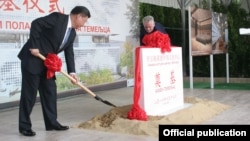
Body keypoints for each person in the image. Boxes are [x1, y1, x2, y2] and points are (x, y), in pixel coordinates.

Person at [17, 6, 91, 137]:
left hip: (47, 63)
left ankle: (52, 123)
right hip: (33, 59)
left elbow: (69, 53)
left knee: (50, 92)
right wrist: (34, 46)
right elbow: (36, 24)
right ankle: (24, 126)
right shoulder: (58, 18)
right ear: (78, 16)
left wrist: (72, 73)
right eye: (84, 21)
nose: (84, 24)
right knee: (29, 95)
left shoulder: (72, 33)